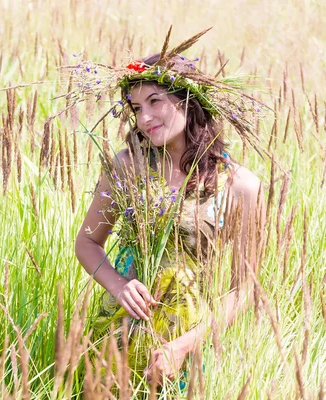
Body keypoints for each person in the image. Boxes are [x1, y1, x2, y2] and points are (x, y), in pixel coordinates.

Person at [72, 32, 266, 389]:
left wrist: (184, 346)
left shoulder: (241, 186)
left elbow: (244, 289)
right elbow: (86, 244)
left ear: (188, 100)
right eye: (136, 108)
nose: (144, 118)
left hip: (185, 338)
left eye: (155, 101)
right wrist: (118, 287)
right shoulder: (127, 166)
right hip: (118, 328)